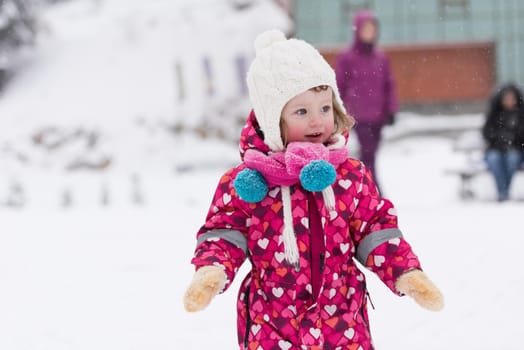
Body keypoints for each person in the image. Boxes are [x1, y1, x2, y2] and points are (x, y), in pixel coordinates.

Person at [183, 30, 443, 349]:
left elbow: (374, 228)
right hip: (272, 324)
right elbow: (224, 232)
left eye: (324, 108)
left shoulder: (348, 175)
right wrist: (211, 271)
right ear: (271, 119)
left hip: (343, 321)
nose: (317, 121)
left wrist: (405, 272)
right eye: (301, 112)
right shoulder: (246, 183)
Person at [335, 10, 397, 189]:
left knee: (371, 155)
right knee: (368, 154)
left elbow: (389, 85)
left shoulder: (381, 58)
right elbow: (338, 86)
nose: (370, 33)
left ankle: (364, 189)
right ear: (357, 31)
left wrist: (391, 109)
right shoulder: (347, 58)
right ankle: (374, 189)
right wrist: (341, 112)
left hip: (378, 116)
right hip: (358, 117)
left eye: (373, 29)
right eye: (366, 29)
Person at [482, 83, 524, 201]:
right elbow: (487, 132)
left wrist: (513, 140)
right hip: (495, 149)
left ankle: (505, 190)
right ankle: (502, 192)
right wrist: (500, 139)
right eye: (506, 98)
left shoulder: (521, 114)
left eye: (512, 98)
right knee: (494, 159)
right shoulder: (494, 115)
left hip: (516, 150)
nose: (509, 101)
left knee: (512, 159)